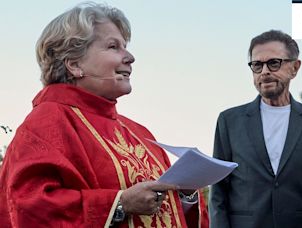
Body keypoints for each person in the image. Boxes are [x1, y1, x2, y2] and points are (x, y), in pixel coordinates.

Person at [0, 3, 208, 227]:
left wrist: (185, 196)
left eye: (125, 46)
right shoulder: (46, 122)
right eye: (113, 47)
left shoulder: (140, 133)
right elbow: (30, 209)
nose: (130, 57)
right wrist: (120, 204)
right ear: (74, 64)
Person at [209, 30, 302, 228]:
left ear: (295, 68)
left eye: (273, 63)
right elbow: (218, 191)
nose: (264, 72)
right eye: (257, 65)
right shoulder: (229, 121)